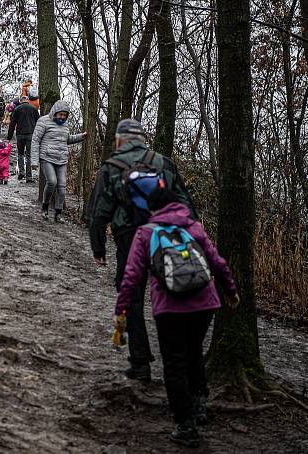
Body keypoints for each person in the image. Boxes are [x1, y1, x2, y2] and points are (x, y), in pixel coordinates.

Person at [114, 189, 239, 447]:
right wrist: (231, 291)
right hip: (205, 304)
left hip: (170, 307)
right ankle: (199, 404)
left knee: (174, 362)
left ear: (152, 209)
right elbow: (217, 262)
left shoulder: (146, 233)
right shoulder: (193, 227)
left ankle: (186, 425)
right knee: (194, 352)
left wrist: (122, 308)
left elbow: (132, 276)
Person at [88, 118, 196, 381]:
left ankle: (140, 362)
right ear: (143, 138)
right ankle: (179, 362)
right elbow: (186, 203)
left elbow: (98, 213)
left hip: (129, 238)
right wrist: (192, 239)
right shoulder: (163, 163)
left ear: (119, 140)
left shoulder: (111, 167)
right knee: (173, 294)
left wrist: (98, 248)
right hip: (165, 238)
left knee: (131, 297)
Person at [30, 99, 86, 223]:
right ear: (55, 112)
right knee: (52, 181)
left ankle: (58, 213)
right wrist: (34, 161)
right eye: (60, 115)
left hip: (62, 158)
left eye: (65, 116)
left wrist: (80, 137)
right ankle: (44, 208)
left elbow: (67, 139)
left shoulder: (65, 125)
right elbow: (35, 141)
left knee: (62, 186)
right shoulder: (43, 121)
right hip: (47, 157)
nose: (62, 117)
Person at [6, 93, 40, 182]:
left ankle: (21, 172)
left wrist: (9, 136)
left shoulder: (17, 109)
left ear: (20, 101)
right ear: (28, 100)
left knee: (20, 154)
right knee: (29, 155)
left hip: (20, 135)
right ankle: (29, 177)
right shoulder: (34, 109)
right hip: (30, 134)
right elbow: (39, 123)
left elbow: (12, 124)